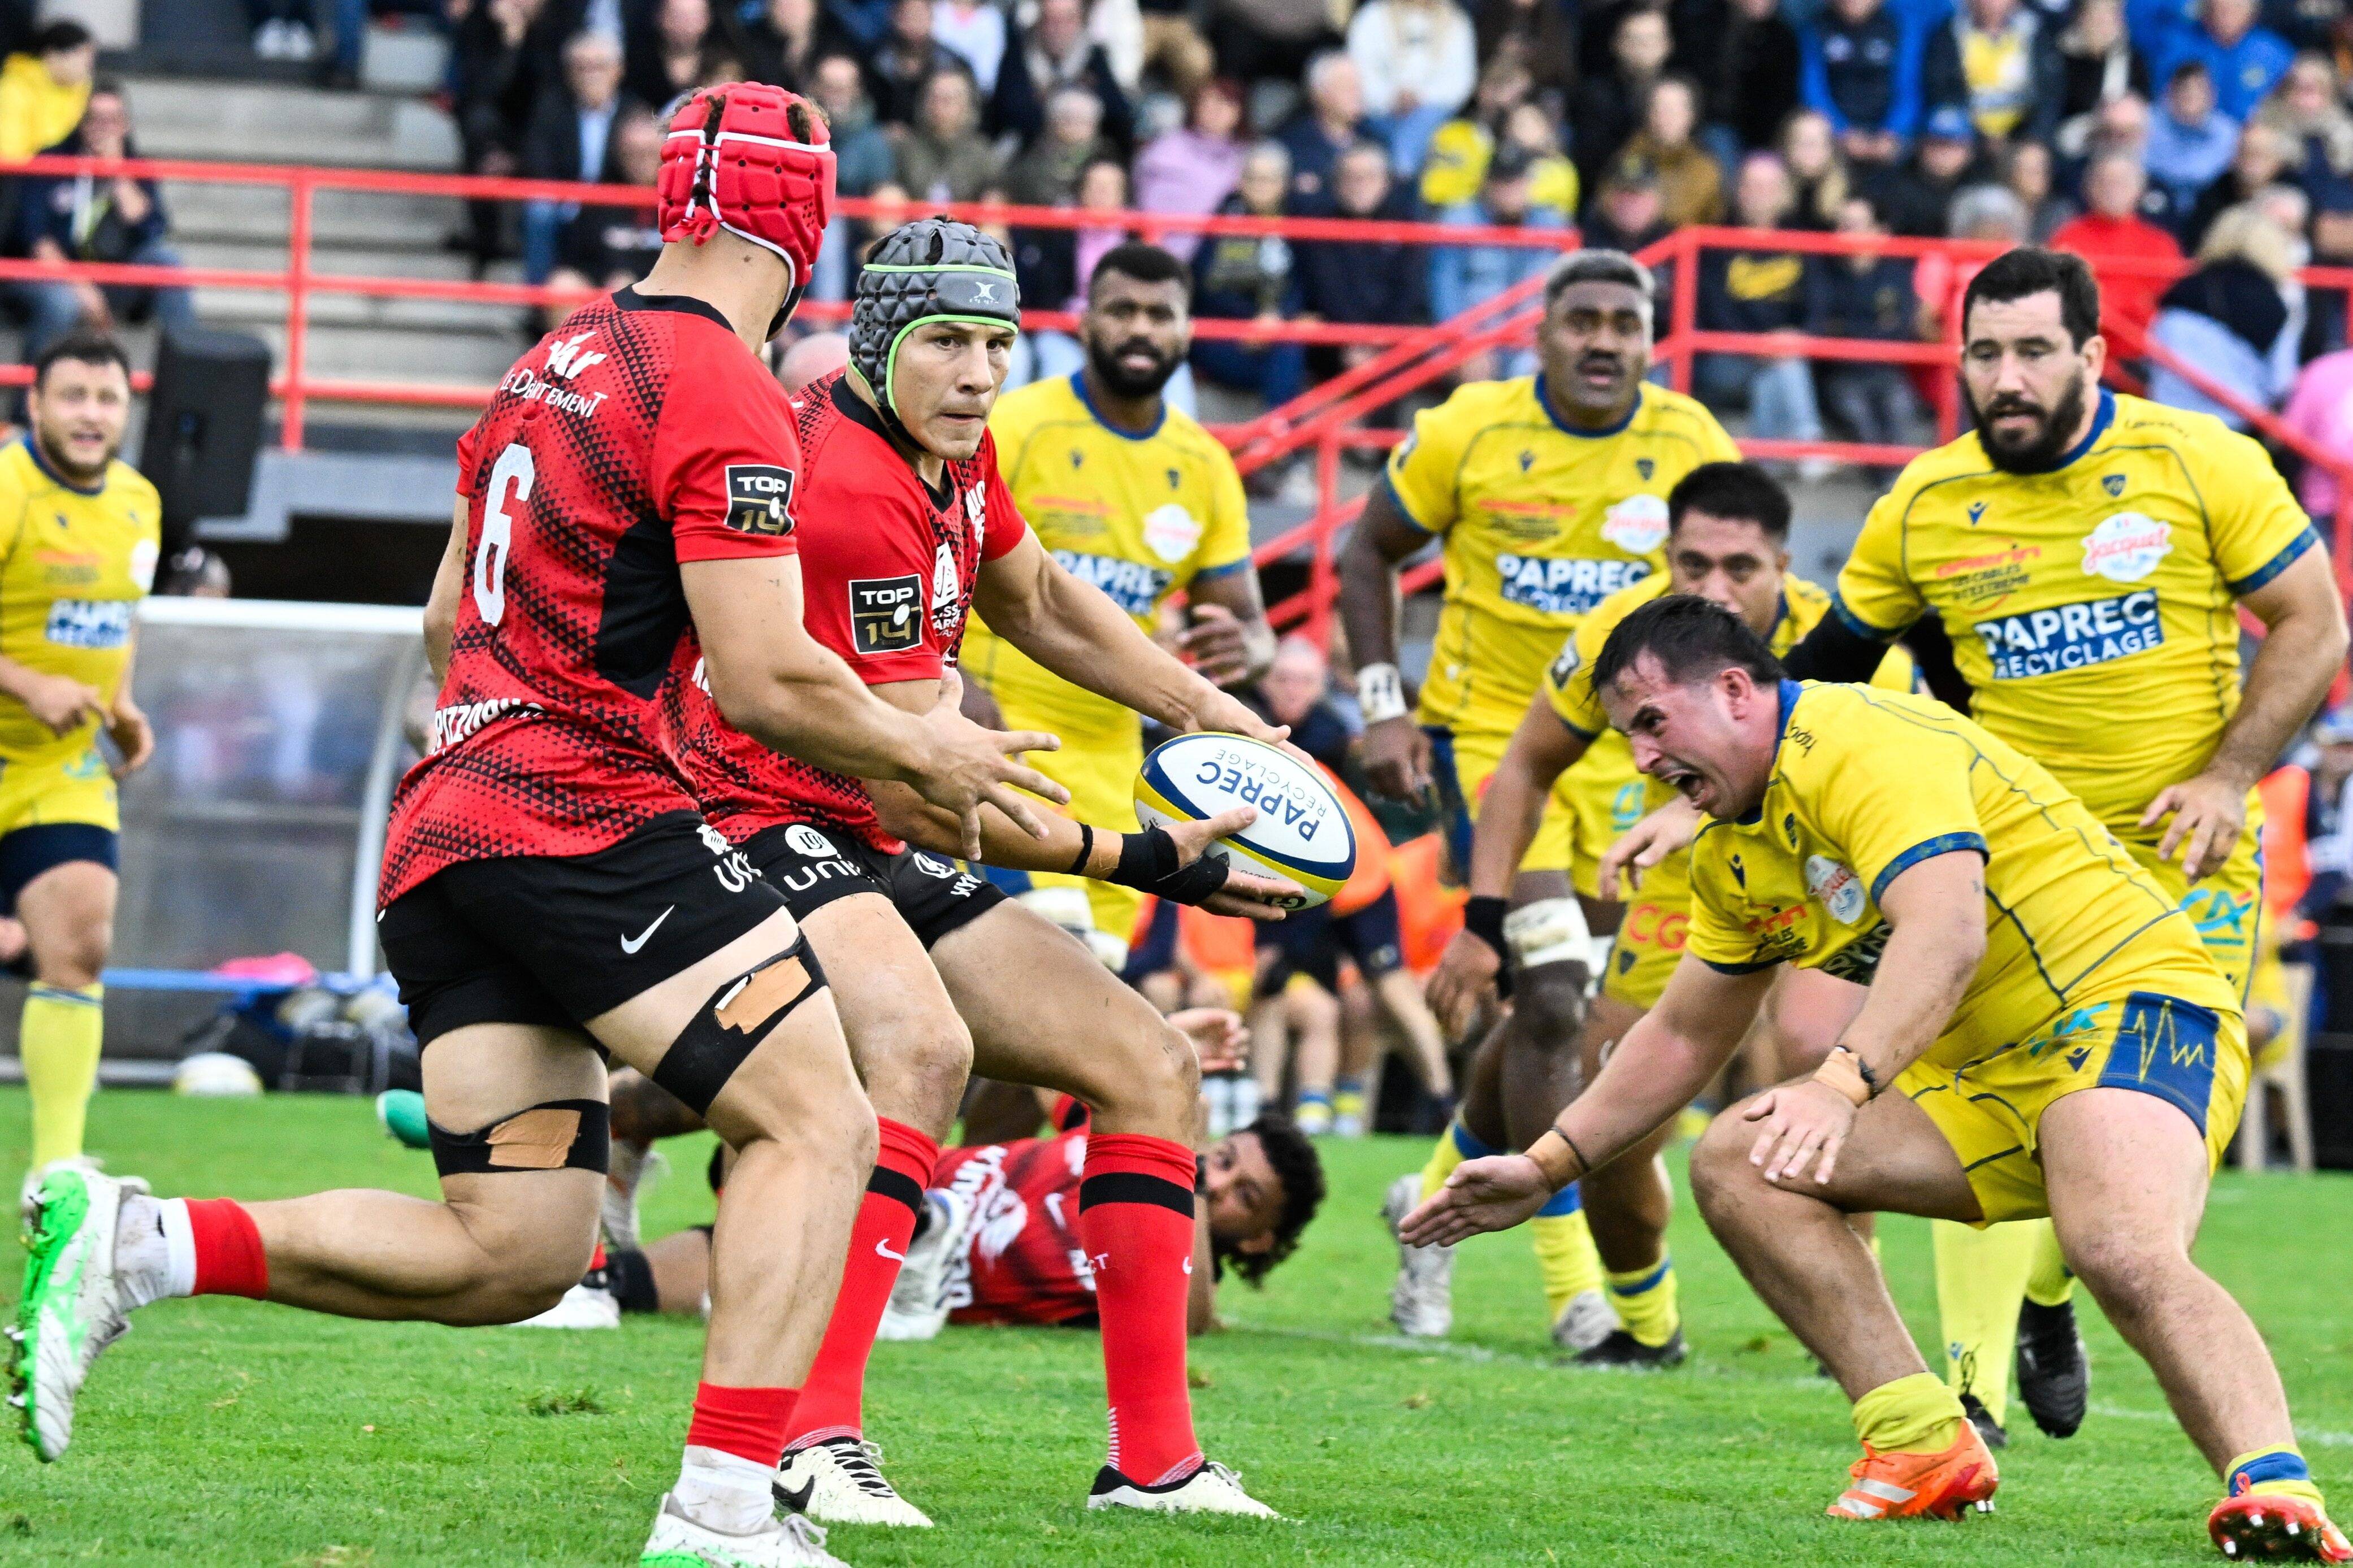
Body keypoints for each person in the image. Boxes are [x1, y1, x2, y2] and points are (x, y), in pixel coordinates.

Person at [11, 85, 1065, 1568]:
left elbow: (448, 618)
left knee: (515, 1247)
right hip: (581, 815)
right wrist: (921, 747)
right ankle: (721, 1507)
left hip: (448, 827)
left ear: (675, 204)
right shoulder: (722, 382)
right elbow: (764, 675)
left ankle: (139, 1241)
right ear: (803, 218)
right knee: (825, 1112)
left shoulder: (547, 359)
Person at [1404, 594, 2350, 1562]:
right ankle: (1919, 1445)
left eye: (1650, 722)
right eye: (1625, 736)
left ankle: (2274, 1486)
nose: (1641, 758)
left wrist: (1840, 1083)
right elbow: (1684, 1034)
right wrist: (1546, 1163)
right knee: (1739, 1160)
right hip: (1982, 1071)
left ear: (1735, 691)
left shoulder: (1860, 741)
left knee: (2112, 1244)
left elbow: (1945, 931)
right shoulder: (1734, 849)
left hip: (2124, 1004)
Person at [1626, 246, 2347, 1457]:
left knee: (2123, 1188)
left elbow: (2313, 623)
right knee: (1982, 1106)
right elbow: (1813, 687)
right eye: (1982, 354)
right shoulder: (1919, 504)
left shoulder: (2195, 460)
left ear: (2088, 355)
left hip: (2179, 873)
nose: (2002, 377)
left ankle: (2054, 1294)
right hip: (1999, 881)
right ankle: (1960, 1405)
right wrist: (1698, 799)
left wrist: (2228, 775)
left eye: (2028, 351)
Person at [652, 218, 1295, 1525]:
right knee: (920, 1053)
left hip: (869, 835)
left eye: (998, 345)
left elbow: (1042, 601)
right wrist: (1149, 860)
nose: (976, 373)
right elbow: (913, 777)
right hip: (762, 820)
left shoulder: (948, 445)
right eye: (946, 342)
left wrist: (1205, 710)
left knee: (1152, 1064)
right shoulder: (845, 484)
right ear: (883, 339)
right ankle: (809, 1438)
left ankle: (1154, 1464)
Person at [1422, 462, 1917, 1367]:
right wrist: (1482, 917)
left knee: (1816, 1050)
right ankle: (1644, 1325)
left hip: (1825, 874)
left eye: (1738, 568)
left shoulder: (1850, 639)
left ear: (1781, 561)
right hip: (1686, 888)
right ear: (1665, 557)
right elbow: (1524, 765)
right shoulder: (1623, 638)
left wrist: (1689, 810)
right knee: (1606, 1108)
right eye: (1692, 565)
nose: (1713, 589)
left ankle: (1855, 1295)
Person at [1336, 248, 1740, 1348]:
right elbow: (1366, 547)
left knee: (1560, 1022)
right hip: (1495, 756)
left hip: (1635, 765)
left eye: (1624, 321)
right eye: (1582, 321)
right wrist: (1380, 703)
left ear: (1650, 337)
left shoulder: (1690, 444)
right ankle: (1575, 1300)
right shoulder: (1467, 427)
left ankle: (1425, 1206)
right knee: (1555, 998)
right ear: (1541, 334)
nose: (1602, 340)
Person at [964, 242, 1277, 965]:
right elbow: (931, 561)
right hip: (1006, 741)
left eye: (1159, 314)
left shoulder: (1203, 465)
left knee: (1072, 1016)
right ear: (1083, 323)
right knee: (1046, 972)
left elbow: (1250, 624)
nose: (1140, 329)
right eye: (1121, 311)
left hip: (1114, 767)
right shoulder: (1015, 425)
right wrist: (956, 686)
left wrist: (1247, 648)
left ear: (1187, 331)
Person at [0, 334, 155, 1204]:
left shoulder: (139, 502)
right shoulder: (7, 490)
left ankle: (54, 1170)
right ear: (36, 407)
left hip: (56, 765)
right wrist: (24, 680)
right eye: (74, 396)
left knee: (80, 941)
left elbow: (115, 620)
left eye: (107, 397)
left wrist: (122, 705)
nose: (92, 414)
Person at [7, 81, 197, 359]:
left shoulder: (136, 166)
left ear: (126, 125)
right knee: (61, 304)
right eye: (95, 119)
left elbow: (151, 228)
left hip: (113, 278)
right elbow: (36, 239)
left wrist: (116, 171)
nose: (103, 127)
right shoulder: (52, 160)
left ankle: (188, 377)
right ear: (81, 123)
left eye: (113, 120)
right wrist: (81, 287)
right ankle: (30, 399)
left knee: (167, 263)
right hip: (53, 277)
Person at [1694, 152, 1825, 459]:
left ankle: (1767, 459)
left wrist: (1796, 337)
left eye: (1769, 188)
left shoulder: (1802, 242)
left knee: (1778, 369)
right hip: (1726, 358)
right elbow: (1713, 311)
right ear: (1739, 191)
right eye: (1753, 186)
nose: (1760, 196)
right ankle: (1809, 446)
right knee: (1782, 364)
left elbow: (1819, 305)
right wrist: (1760, 346)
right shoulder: (1717, 241)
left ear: (1783, 194)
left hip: (1783, 356)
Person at [2147, 203, 2301, 423]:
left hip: (2168, 420)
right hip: (2235, 426)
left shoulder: (2181, 290)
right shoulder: (2276, 306)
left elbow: (2151, 350)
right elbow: (2282, 382)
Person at [1429, 145, 1568, 381]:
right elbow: (1445, 291)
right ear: (1487, 183)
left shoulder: (1553, 224)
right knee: (1475, 373)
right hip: (1474, 337)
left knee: (1547, 370)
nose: (1509, 190)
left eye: (1516, 181)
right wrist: (1465, 341)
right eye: (1501, 182)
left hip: (1533, 339)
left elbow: (1565, 292)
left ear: (1529, 183)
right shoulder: (1460, 219)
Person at [1190, 141, 1307, 410]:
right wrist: (1253, 323)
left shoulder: (1297, 223)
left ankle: (1276, 436)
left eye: (1269, 180)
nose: (1260, 186)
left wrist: (1276, 317)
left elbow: (1305, 282)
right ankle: (1281, 436)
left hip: (1275, 333)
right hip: (1225, 337)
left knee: (1291, 344)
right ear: (1241, 182)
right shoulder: (1222, 221)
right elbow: (1207, 288)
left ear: (1283, 185)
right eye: (1253, 178)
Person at [2049, 147, 2185, 342]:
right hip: (2084, 351)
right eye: (2104, 182)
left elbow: (2166, 305)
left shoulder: (2162, 244)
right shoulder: (2067, 237)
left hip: (2145, 354)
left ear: (2140, 189)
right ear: (2089, 187)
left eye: (2121, 183)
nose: (2111, 190)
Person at [1799, 0, 1930, 167]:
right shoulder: (1815, 28)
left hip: (1890, 138)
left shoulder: (1900, 27)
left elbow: (1910, 89)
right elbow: (1813, 91)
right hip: (1835, 136)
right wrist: (1842, 131)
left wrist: (1892, 132)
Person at [2147, 62, 2242, 214]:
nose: (2191, 95)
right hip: (2154, 203)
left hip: (2209, 208)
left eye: (2199, 90)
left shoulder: (2228, 132)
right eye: (2184, 89)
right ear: (2168, 93)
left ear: (2213, 96)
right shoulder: (2147, 122)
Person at [0, 19, 94, 162]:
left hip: (69, 171)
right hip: (25, 174)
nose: (87, 66)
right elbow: (10, 153)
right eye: (80, 56)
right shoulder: (15, 89)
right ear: (52, 55)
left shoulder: (83, 88)